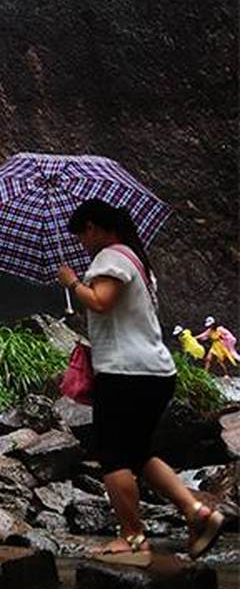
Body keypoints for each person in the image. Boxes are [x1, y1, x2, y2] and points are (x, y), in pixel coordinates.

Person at [57, 198, 225, 560]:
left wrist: (72, 282)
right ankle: (198, 512)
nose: (82, 242)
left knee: (112, 455)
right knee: (137, 452)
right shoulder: (137, 260)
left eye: (82, 233)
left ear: (95, 227)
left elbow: (101, 300)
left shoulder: (111, 257)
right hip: (154, 372)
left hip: (126, 374)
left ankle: (132, 536)